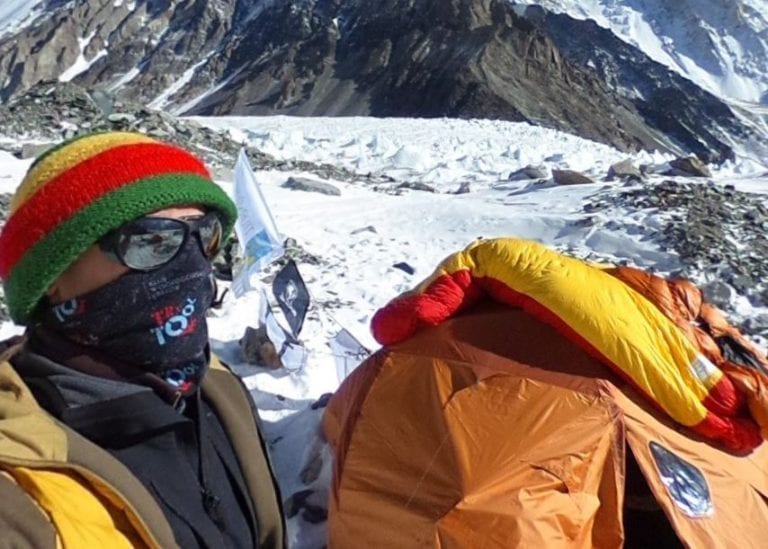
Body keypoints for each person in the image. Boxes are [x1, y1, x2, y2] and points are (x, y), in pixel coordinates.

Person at [0, 132, 285, 548]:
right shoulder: (19, 494)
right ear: (52, 277)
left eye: (205, 234)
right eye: (151, 240)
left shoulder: (215, 386)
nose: (192, 263)